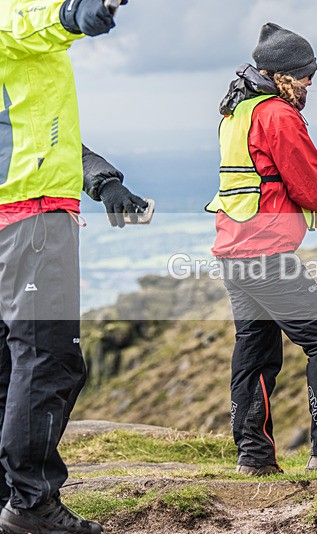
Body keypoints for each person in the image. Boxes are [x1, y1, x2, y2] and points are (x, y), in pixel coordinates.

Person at [206, 23, 317, 480]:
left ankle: (254, 457)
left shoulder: (237, 112)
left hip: (234, 250)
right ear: (285, 73)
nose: (310, 83)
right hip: (265, 256)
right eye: (307, 75)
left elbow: (277, 192)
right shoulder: (278, 115)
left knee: (255, 351)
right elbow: (309, 187)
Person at [0, 1, 148, 533]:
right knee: (49, 359)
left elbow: (36, 128)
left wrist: (104, 180)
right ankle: (31, 504)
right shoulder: (17, 17)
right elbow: (27, 22)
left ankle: (9, 497)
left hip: (16, 215)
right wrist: (73, 12)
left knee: (10, 365)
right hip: (30, 217)